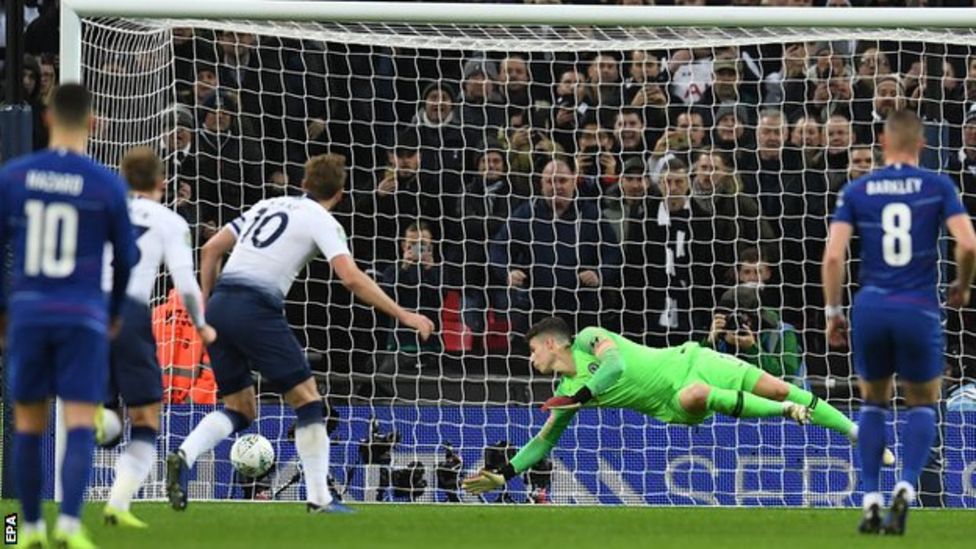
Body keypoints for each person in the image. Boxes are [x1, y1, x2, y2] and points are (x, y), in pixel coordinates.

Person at [166, 153, 434, 514]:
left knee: (240, 408)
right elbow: (351, 278)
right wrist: (403, 314)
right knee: (309, 401)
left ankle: (185, 453)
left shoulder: (267, 203)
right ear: (339, 195)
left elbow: (211, 248)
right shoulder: (321, 219)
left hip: (220, 305)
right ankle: (319, 498)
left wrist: (205, 302)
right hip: (256, 308)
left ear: (303, 184)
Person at [461, 317, 891, 496]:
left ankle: (857, 433)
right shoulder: (567, 391)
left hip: (691, 358)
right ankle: (785, 414)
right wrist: (504, 474)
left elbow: (613, 364)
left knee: (778, 387)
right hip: (673, 404)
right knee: (695, 397)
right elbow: (543, 440)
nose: (531, 359)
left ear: (552, 343)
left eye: (533, 350)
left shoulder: (589, 338)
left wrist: (582, 395)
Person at [823, 109, 976, 535]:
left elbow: (834, 256)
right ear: (921, 145)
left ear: (883, 144)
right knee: (922, 403)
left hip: (871, 306)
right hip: (919, 306)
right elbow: (967, 243)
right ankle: (907, 486)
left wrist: (834, 312)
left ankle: (870, 496)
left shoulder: (859, 188)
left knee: (873, 402)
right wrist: (962, 286)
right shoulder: (937, 185)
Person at [0, 83, 136, 549]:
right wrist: (113, 311)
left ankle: (25, 529)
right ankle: (72, 526)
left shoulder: (15, 176)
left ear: (45, 119)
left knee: (28, 425)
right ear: (94, 123)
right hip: (83, 316)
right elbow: (128, 258)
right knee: (80, 419)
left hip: (30, 314)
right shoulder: (105, 183)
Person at [94, 147, 217, 529]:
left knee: (109, 417)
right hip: (129, 313)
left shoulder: (99, 212)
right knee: (146, 420)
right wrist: (202, 325)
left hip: (87, 309)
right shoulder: (169, 221)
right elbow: (185, 282)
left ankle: (102, 420)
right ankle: (117, 503)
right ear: (162, 184)